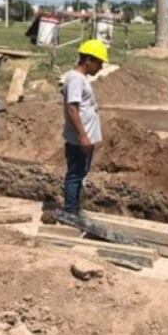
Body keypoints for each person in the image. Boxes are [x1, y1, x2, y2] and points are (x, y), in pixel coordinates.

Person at [57, 38, 108, 219]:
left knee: (80, 173)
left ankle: (74, 208)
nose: (100, 67)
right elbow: (73, 109)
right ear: (89, 60)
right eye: (99, 63)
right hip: (79, 139)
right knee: (75, 174)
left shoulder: (79, 79)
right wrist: (83, 137)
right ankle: (70, 211)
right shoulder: (76, 79)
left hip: (83, 137)